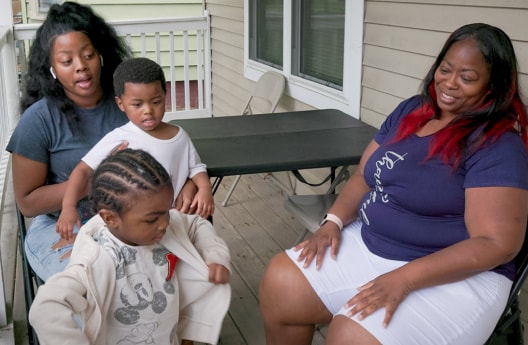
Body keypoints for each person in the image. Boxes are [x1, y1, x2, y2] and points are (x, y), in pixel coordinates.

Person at [259, 23, 528, 345]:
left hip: (455, 274)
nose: (450, 83)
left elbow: (496, 244)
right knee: (281, 283)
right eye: (445, 69)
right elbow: (363, 175)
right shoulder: (412, 110)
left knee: (351, 336)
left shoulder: (496, 144)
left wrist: (405, 278)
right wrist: (332, 221)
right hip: (373, 241)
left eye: (467, 78)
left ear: (493, 87)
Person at [6, 2, 197, 281]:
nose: (81, 67)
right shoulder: (39, 120)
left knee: (180, 277)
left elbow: (172, 151)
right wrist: (92, 183)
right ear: (52, 68)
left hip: (134, 218)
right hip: (63, 223)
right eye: (67, 61)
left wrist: (189, 184)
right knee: (93, 285)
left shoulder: (129, 104)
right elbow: (28, 204)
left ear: (101, 56)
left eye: (88, 55)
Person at [28, 148, 231, 345]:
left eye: (166, 211)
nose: (165, 223)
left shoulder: (163, 228)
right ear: (110, 218)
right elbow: (46, 306)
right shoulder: (97, 260)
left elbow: (197, 224)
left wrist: (215, 256)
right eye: (152, 219)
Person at [56, 57, 214, 241]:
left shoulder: (179, 135)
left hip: (173, 222)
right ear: (121, 104)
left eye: (155, 102)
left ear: (165, 95)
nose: (148, 110)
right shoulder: (120, 138)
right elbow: (82, 169)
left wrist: (204, 189)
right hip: (133, 228)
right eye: (137, 105)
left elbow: (196, 167)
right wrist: (68, 206)